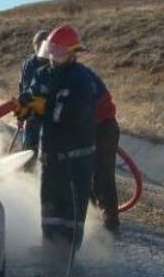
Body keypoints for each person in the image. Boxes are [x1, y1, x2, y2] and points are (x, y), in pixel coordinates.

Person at [17, 25, 97, 252]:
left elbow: (71, 115)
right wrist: (24, 107)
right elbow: (31, 96)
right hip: (50, 157)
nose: (53, 57)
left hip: (76, 160)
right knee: (50, 209)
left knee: (71, 213)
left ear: (72, 53)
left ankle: (69, 255)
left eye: (58, 52)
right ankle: (49, 249)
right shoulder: (43, 73)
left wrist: (43, 107)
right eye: (51, 50)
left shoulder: (81, 80)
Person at [90, 72, 121, 232]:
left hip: (103, 127)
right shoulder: (49, 77)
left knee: (102, 174)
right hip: (83, 127)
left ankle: (110, 221)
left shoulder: (81, 77)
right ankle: (89, 216)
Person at [17, 30, 50, 162]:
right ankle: (25, 177)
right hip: (30, 117)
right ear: (34, 45)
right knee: (27, 152)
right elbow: (22, 89)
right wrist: (20, 115)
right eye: (38, 44)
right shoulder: (27, 64)